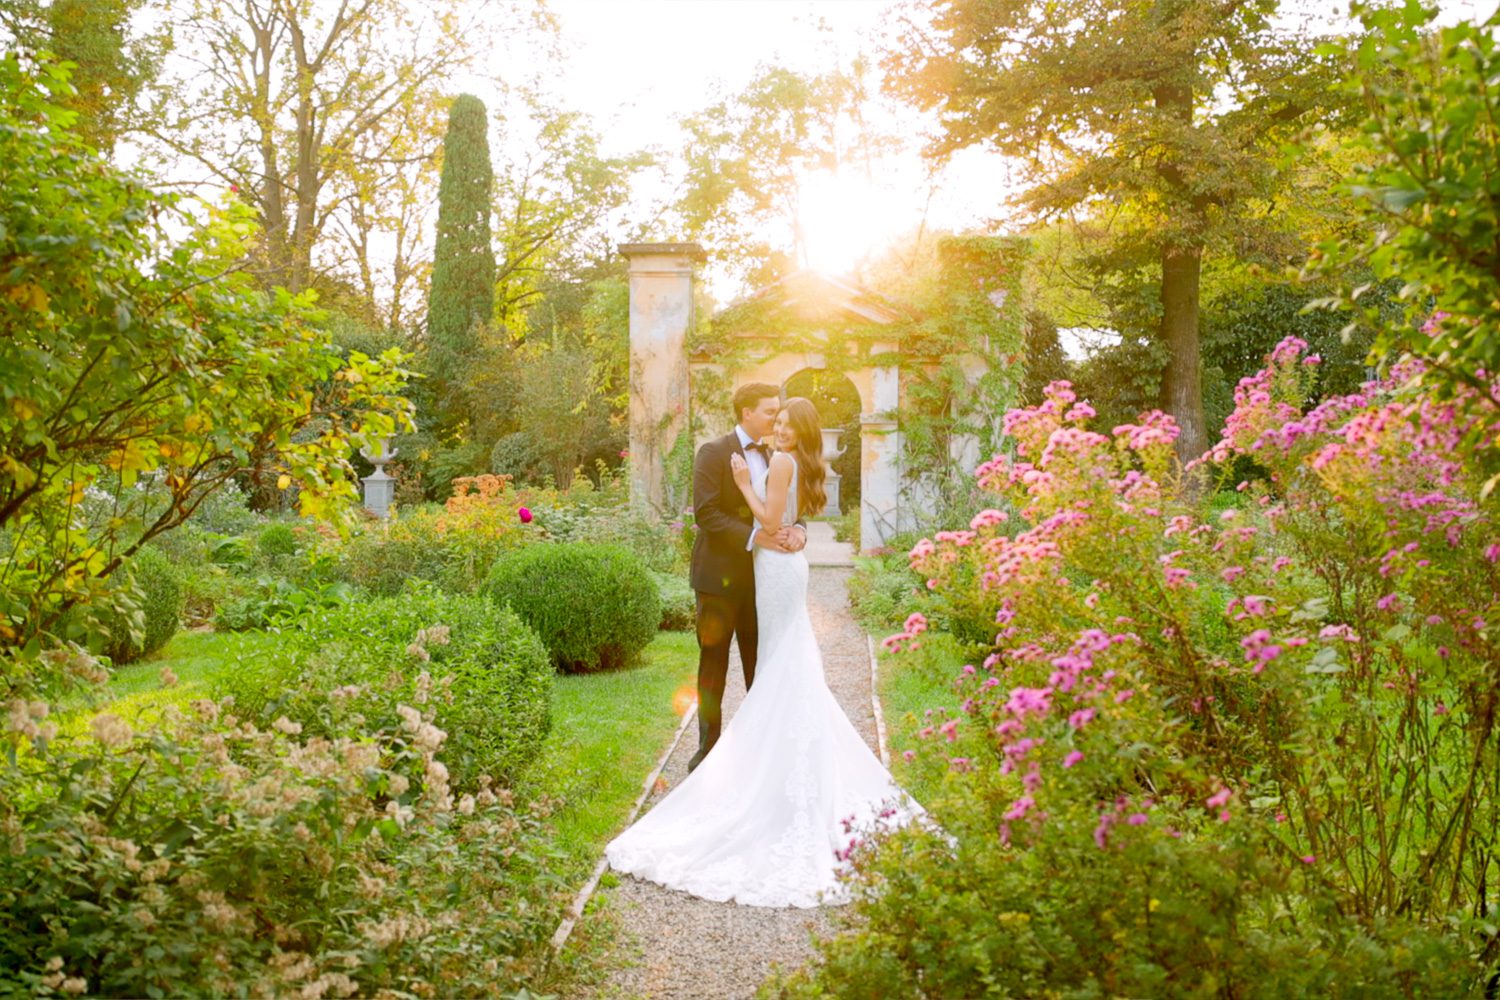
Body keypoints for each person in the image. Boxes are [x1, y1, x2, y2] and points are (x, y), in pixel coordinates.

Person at [605, 396, 924, 908]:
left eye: (782, 416)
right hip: (725, 578)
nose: (774, 422)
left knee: (770, 666)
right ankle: (710, 753)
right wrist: (771, 528)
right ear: (748, 411)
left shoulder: (777, 459)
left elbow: (776, 517)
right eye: (768, 413)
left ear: (794, 426)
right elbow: (708, 515)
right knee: (722, 664)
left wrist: (769, 517)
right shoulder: (716, 450)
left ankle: (762, 760)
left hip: (769, 574)